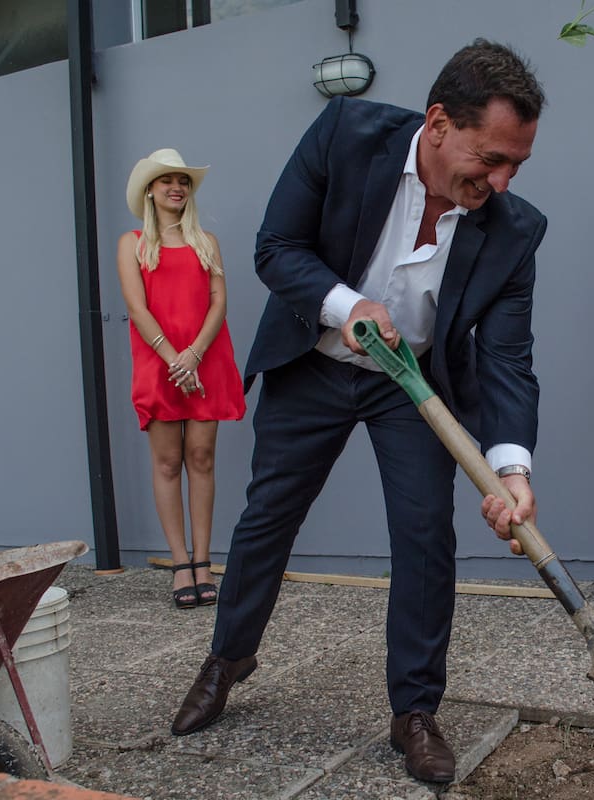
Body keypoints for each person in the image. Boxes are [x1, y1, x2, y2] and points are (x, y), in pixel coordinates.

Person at [170, 40, 547, 785]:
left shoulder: (514, 229)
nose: (501, 182)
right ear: (438, 123)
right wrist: (347, 304)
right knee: (268, 516)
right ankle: (228, 657)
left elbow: (507, 358)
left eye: (516, 166)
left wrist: (511, 468)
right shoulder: (346, 135)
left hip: (412, 388)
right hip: (314, 360)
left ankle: (415, 711)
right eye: (491, 158)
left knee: (423, 534)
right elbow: (276, 248)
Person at [117, 148, 247, 609]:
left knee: (202, 458)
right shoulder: (132, 243)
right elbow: (137, 308)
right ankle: (179, 564)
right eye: (167, 180)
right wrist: (175, 360)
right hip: (160, 363)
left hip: (203, 359)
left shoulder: (206, 242)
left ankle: (204, 562)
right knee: (168, 463)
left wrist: (192, 356)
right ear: (150, 191)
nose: (177, 187)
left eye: (183, 181)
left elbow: (218, 303)